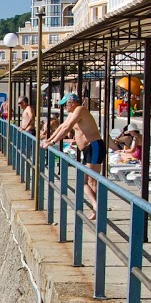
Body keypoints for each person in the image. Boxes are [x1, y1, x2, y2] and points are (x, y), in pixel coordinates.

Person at [46, 92, 104, 222]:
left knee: (90, 181)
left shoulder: (80, 110)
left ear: (72, 102)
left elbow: (67, 127)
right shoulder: (73, 113)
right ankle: (97, 207)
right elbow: (61, 126)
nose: (64, 107)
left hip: (94, 146)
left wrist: (53, 142)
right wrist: (48, 139)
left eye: (65, 104)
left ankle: (97, 208)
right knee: (84, 181)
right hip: (88, 149)